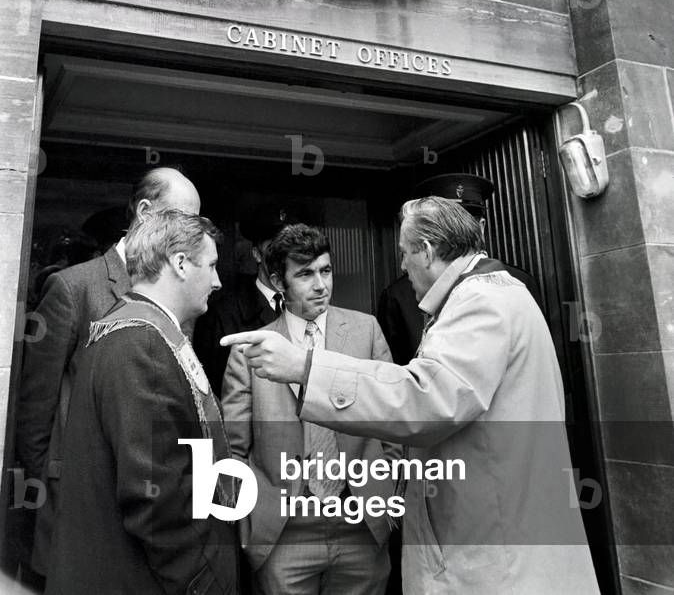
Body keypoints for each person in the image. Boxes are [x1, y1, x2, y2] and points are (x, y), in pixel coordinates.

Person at [222, 199, 600, 595]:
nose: (401, 265)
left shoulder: (482, 303)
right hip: (478, 527)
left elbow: (423, 399)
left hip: (496, 542)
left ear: (428, 252)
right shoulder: (487, 294)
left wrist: (306, 368)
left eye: (404, 253)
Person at [15, 165, 201, 580]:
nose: (192, 233)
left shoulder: (182, 288)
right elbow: (35, 413)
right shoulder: (73, 288)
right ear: (146, 213)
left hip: (153, 508)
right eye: (183, 219)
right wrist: (56, 489)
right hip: (81, 505)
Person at [45, 208, 239, 595]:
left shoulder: (133, 327)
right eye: (213, 265)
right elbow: (156, 499)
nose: (218, 281)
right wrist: (203, 581)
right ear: (181, 264)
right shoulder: (143, 343)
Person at [222, 223, 397, 595]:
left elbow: (393, 423)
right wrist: (245, 523)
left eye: (326, 270)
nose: (321, 285)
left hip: (361, 522)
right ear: (278, 281)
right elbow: (233, 449)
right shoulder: (250, 349)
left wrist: (390, 495)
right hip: (284, 528)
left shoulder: (366, 331)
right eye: (304, 274)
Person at [377, 172, 543, 365]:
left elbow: (437, 389)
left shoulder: (480, 298)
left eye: (460, 222)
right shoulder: (399, 295)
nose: (403, 266)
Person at [193, 204, 289, 393]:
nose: (283, 256)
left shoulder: (309, 305)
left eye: (289, 248)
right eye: (274, 248)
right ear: (256, 254)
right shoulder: (223, 314)